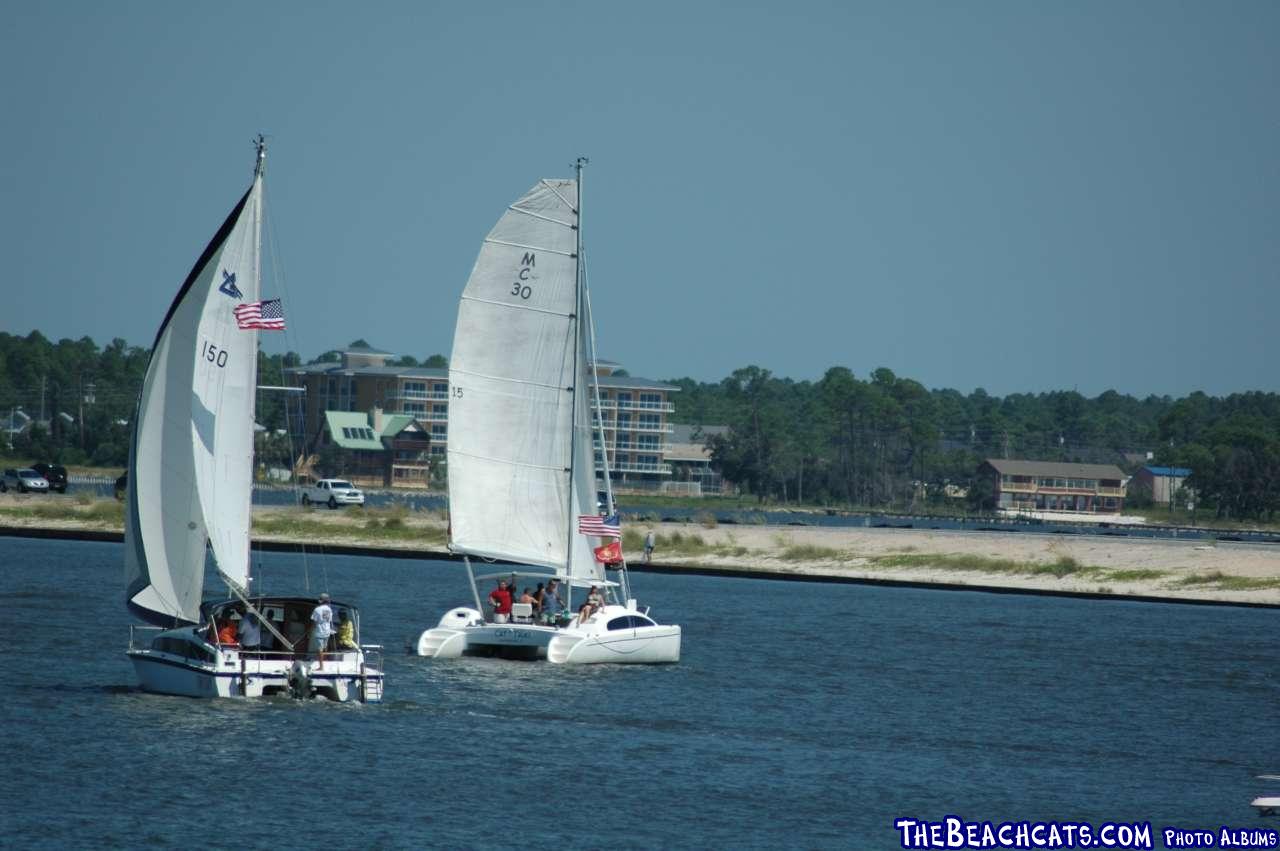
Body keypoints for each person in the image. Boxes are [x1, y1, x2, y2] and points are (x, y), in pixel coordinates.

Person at [310, 593, 335, 670]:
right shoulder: (329, 609)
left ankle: (321, 667)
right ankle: (324, 662)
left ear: (322, 601)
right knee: (324, 648)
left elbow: (314, 622)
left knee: (320, 650)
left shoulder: (317, 609)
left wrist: (310, 631)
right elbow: (329, 620)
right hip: (327, 631)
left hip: (319, 632)